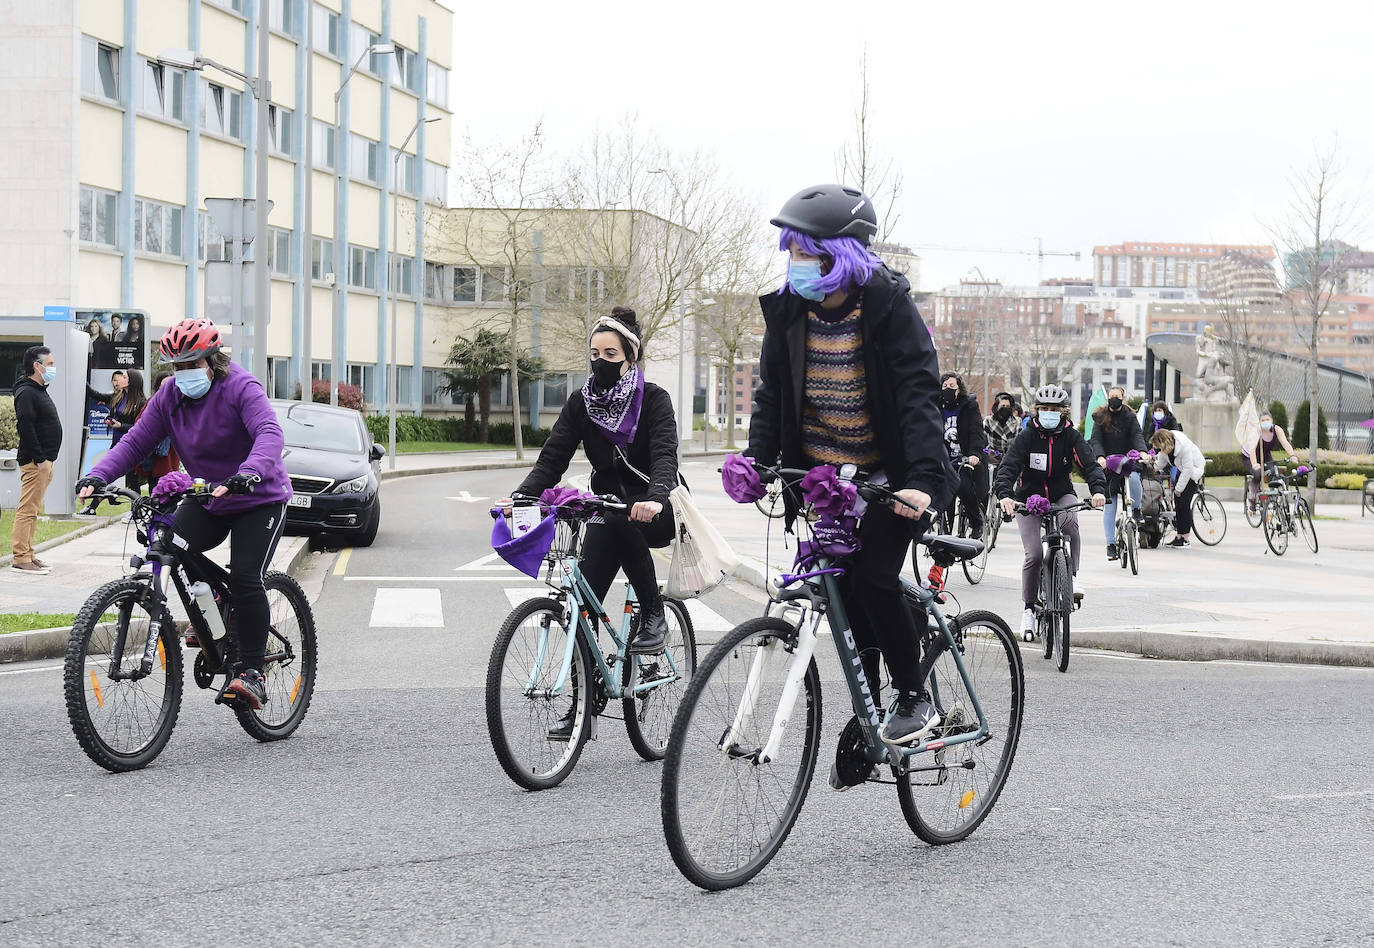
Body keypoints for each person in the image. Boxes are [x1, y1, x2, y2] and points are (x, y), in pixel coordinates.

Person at [744, 183, 954, 747]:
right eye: (790, 252)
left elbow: (917, 394)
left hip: (891, 478)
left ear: (841, 256)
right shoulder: (788, 311)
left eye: (805, 252)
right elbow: (772, 396)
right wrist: (755, 460)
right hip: (825, 479)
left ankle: (915, 697)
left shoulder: (888, 307)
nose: (795, 264)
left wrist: (922, 482)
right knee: (840, 590)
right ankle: (872, 713)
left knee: (874, 578)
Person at [76, 318, 291, 709]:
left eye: (193, 365)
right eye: (177, 367)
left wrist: (249, 471)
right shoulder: (170, 396)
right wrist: (96, 475)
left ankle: (253, 672)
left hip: (257, 496)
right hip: (208, 494)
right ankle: (213, 608)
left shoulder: (241, 387)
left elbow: (269, 432)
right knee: (170, 540)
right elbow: (136, 442)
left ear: (213, 361)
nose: (184, 374)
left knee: (245, 577)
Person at [511, 307, 679, 674]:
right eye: (594, 355)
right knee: (581, 613)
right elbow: (552, 460)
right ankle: (581, 707)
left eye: (610, 355)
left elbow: (666, 457)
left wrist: (655, 497)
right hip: (609, 507)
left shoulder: (654, 399)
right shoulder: (581, 404)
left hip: (656, 506)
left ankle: (654, 614)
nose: (600, 362)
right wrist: (521, 498)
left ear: (630, 357)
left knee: (624, 520)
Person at [994, 384, 1106, 640]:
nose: (1048, 413)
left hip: (1060, 494)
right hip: (1029, 498)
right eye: (1044, 409)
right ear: (1037, 411)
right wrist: (1006, 496)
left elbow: (1089, 464)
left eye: (1054, 410)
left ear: (1063, 412)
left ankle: (1073, 577)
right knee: (1033, 554)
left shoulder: (1071, 435)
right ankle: (1029, 610)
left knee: (1070, 526)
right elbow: (1009, 466)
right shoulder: (1028, 435)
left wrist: (1098, 490)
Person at [11, 346, 62, 574]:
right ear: (36, 366)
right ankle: (21, 557)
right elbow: (26, 427)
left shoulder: (38, 389)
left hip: (44, 462)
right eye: (49, 364)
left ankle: (29, 554)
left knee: (34, 510)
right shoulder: (27, 392)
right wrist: (40, 459)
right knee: (27, 510)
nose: (52, 368)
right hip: (35, 462)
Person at [1088, 385, 1147, 560]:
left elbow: (1137, 435)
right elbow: (1095, 439)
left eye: (1118, 396)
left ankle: (1136, 511)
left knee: (1135, 479)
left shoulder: (1130, 416)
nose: (1114, 399)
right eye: (1111, 396)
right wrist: (1100, 457)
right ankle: (1111, 544)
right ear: (1108, 399)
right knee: (1109, 503)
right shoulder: (1100, 417)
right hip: (1108, 464)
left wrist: (1142, 452)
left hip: (1128, 461)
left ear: (1122, 398)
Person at [87, 369, 149, 495]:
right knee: (106, 471)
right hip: (116, 442)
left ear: (131, 382)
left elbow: (140, 427)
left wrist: (120, 425)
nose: (119, 380)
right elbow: (97, 395)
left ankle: (135, 509)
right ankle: (92, 507)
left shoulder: (141, 402)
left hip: (131, 444)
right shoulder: (118, 396)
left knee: (132, 480)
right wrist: (81, 380)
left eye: (124, 377)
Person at [1149, 428, 1205, 548]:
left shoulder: (1183, 447)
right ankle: (1179, 535)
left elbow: (1188, 469)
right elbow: (1161, 462)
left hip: (1193, 470)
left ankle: (1185, 538)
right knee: (1178, 504)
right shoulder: (1166, 448)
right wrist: (1152, 467)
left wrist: (1179, 489)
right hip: (1182, 469)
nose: (1159, 449)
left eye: (1159, 446)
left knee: (1184, 504)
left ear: (1164, 442)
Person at [1243, 410, 1298, 513]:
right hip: (1250, 456)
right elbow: (1252, 450)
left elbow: (1285, 443)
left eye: (1267, 419)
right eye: (1262, 420)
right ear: (1259, 422)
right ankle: (1252, 495)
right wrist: (1254, 464)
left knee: (1275, 472)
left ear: (1271, 420)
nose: (1265, 422)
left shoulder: (1276, 430)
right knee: (1258, 474)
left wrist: (1292, 455)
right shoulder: (1256, 431)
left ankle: (1273, 496)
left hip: (1266, 454)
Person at [983, 391, 1020, 461]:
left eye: (1008, 406)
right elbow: (981, 439)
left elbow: (1018, 442)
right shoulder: (988, 420)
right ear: (996, 407)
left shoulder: (1017, 421)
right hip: (993, 459)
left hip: (1011, 458)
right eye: (1002, 406)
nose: (1005, 408)